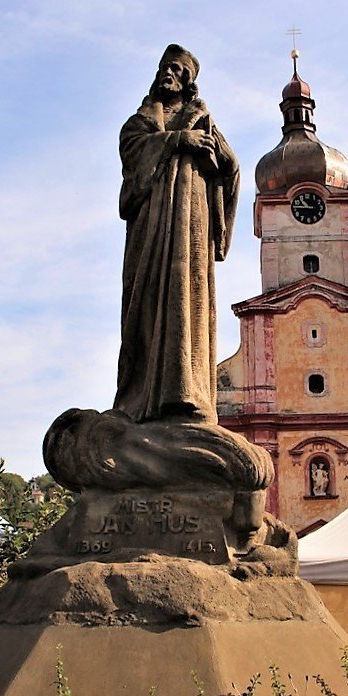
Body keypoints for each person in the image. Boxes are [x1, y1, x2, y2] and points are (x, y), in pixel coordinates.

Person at [114, 44, 240, 424]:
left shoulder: (203, 120)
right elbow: (132, 152)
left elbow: (231, 168)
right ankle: (140, 397)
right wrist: (176, 140)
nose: (168, 74)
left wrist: (216, 153)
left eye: (177, 71)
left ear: (188, 83)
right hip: (151, 229)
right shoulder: (142, 120)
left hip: (191, 228)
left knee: (187, 298)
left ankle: (188, 392)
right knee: (148, 300)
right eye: (164, 68)